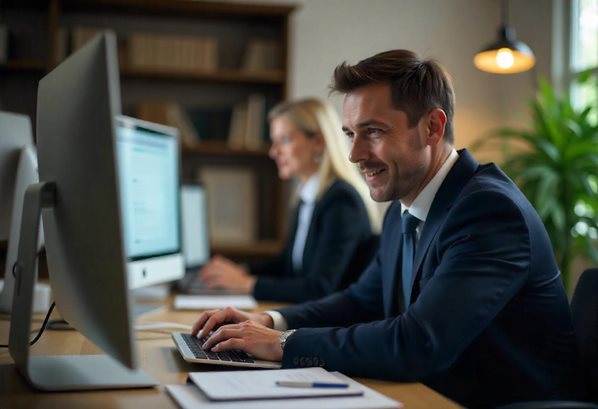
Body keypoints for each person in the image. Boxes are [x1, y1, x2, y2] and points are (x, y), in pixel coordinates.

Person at [191, 50, 582, 408]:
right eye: (350, 133)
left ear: (432, 127)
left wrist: (282, 344)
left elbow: (418, 343)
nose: (354, 154)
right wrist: (271, 321)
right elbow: (362, 299)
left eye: (373, 131)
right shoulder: (402, 208)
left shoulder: (489, 210)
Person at [197, 98, 380, 302]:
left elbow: (320, 288)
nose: (273, 152)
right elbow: (286, 265)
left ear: (318, 142)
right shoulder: (308, 197)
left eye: (284, 140)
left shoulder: (341, 201)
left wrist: (246, 283)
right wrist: (241, 271)